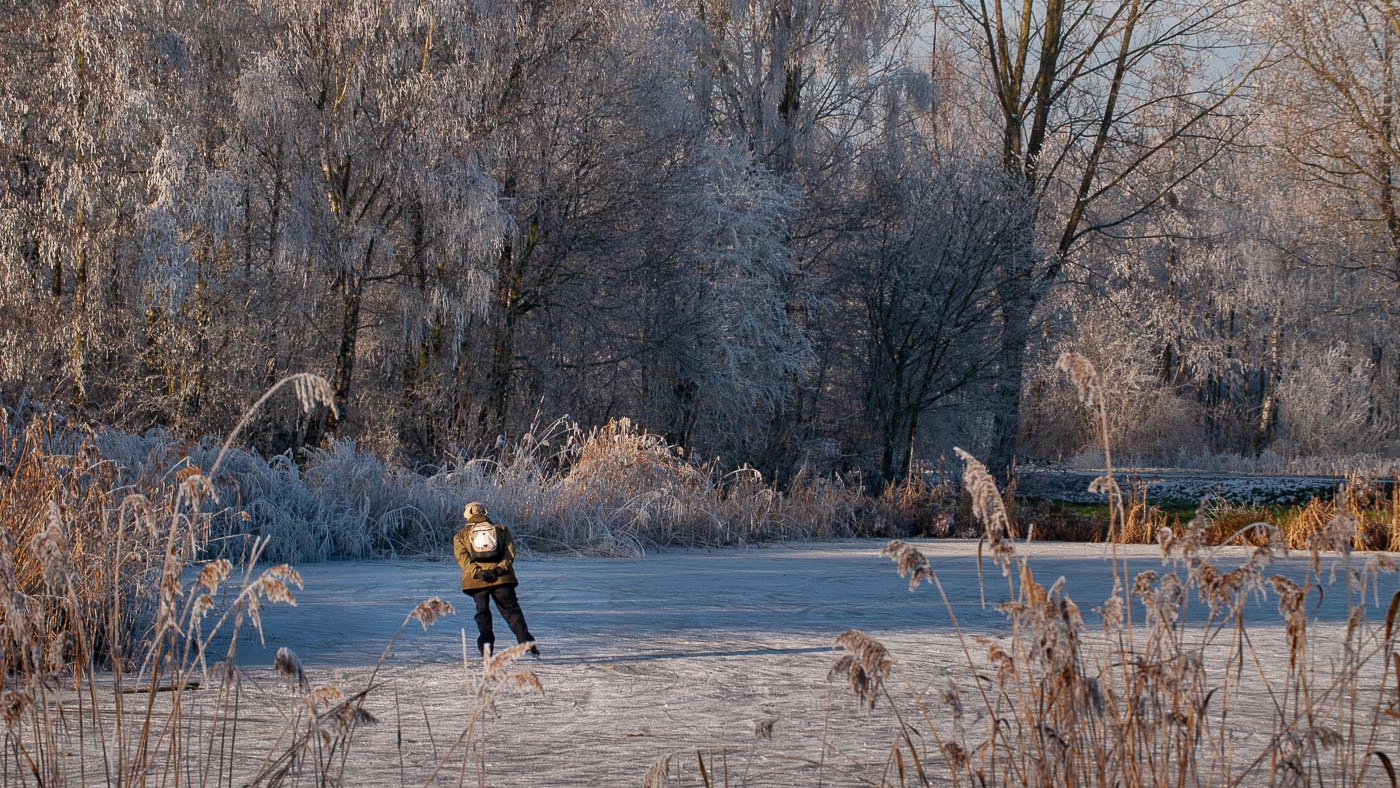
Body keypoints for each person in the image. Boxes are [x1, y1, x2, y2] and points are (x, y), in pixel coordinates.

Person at [453, 501, 540, 659]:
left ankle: (486, 650)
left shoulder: (460, 534)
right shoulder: (501, 530)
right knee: (512, 612)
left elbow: (462, 559)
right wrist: (499, 569)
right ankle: (526, 641)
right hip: (502, 578)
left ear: (468, 514)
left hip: (477, 581)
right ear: (485, 512)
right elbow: (510, 554)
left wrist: (478, 573)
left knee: (483, 613)